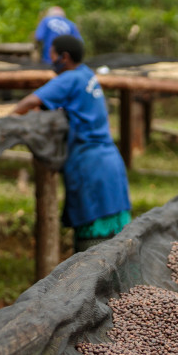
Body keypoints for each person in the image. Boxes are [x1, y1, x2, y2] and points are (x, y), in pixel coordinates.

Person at [13, 35, 132, 252]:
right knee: (118, 247)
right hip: (110, 164)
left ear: (64, 57)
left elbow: (31, 101)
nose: (51, 62)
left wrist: (4, 119)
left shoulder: (69, 78)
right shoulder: (86, 74)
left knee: (94, 252)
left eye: (52, 56)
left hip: (91, 167)